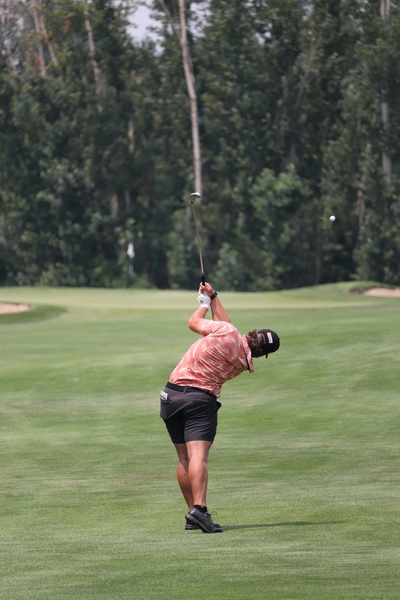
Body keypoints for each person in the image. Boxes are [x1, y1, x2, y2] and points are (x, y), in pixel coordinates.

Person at [160, 281, 280, 533]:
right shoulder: (242, 362)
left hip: (171, 395)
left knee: (184, 458)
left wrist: (203, 305)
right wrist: (213, 296)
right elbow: (225, 325)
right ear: (262, 354)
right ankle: (199, 511)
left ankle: (194, 513)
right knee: (198, 457)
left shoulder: (227, 332)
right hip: (198, 401)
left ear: (253, 332)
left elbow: (194, 323)